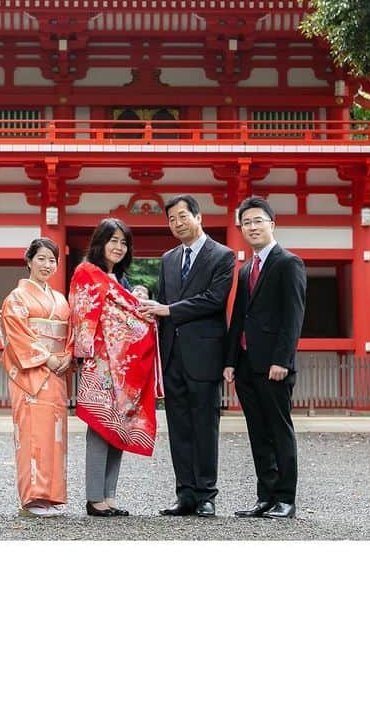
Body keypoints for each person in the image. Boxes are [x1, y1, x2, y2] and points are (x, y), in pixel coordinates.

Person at [139, 194, 234, 517]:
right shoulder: (167, 259)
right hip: (173, 356)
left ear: (198, 217)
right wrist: (145, 302)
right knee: (178, 427)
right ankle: (185, 494)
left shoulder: (222, 255)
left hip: (204, 354)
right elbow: (162, 304)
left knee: (205, 426)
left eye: (182, 216)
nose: (177, 224)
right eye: (171, 219)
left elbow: (214, 300)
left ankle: (207, 494)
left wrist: (167, 309)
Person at [69, 218, 161, 517]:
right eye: (114, 240)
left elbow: (129, 313)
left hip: (124, 366)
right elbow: (82, 313)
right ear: (100, 242)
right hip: (100, 363)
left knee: (118, 427)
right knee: (100, 426)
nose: (119, 247)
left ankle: (109, 496)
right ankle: (94, 497)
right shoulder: (86, 272)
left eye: (124, 242)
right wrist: (82, 352)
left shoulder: (119, 281)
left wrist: (140, 301)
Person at [224, 196, 307, 519]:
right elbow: (239, 317)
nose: (252, 227)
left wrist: (282, 361)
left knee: (279, 431)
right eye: (247, 222)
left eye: (258, 220)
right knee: (258, 432)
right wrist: (230, 361)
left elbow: (293, 316)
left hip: (274, 366)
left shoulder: (289, 263)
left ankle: (286, 498)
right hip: (246, 365)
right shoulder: (246, 269)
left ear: (272, 224)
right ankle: (266, 496)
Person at [0, 237, 74, 518]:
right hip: (31, 374)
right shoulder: (16, 299)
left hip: (56, 375)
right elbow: (17, 336)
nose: (47, 264)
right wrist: (50, 358)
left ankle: (51, 496)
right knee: (32, 434)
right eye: (41, 258)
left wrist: (67, 356)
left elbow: (69, 333)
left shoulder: (61, 300)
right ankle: (31, 499)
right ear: (29, 261)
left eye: (52, 260)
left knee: (54, 436)